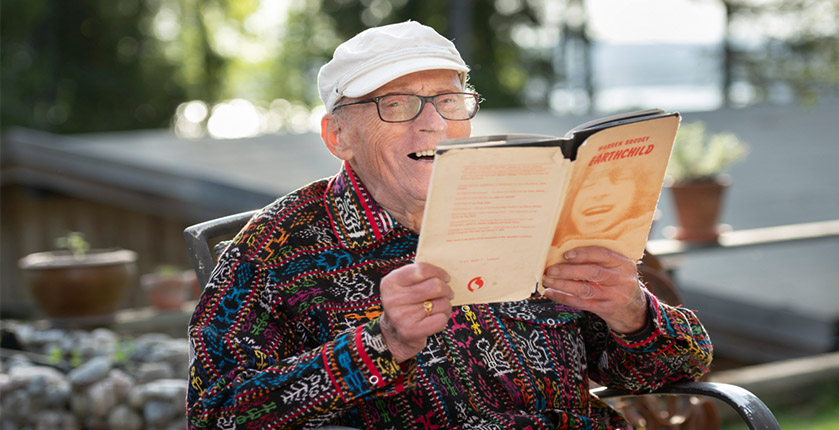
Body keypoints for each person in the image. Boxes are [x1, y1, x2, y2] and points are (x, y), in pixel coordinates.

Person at [187, 21, 712, 430]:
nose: (434, 124)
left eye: (448, 101)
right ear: (337, 136)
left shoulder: (532, 206)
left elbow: (676, 370)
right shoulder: (273, 249)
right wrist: (381, 344)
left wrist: (632, 313)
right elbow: (215, 415)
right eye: (396, 104)